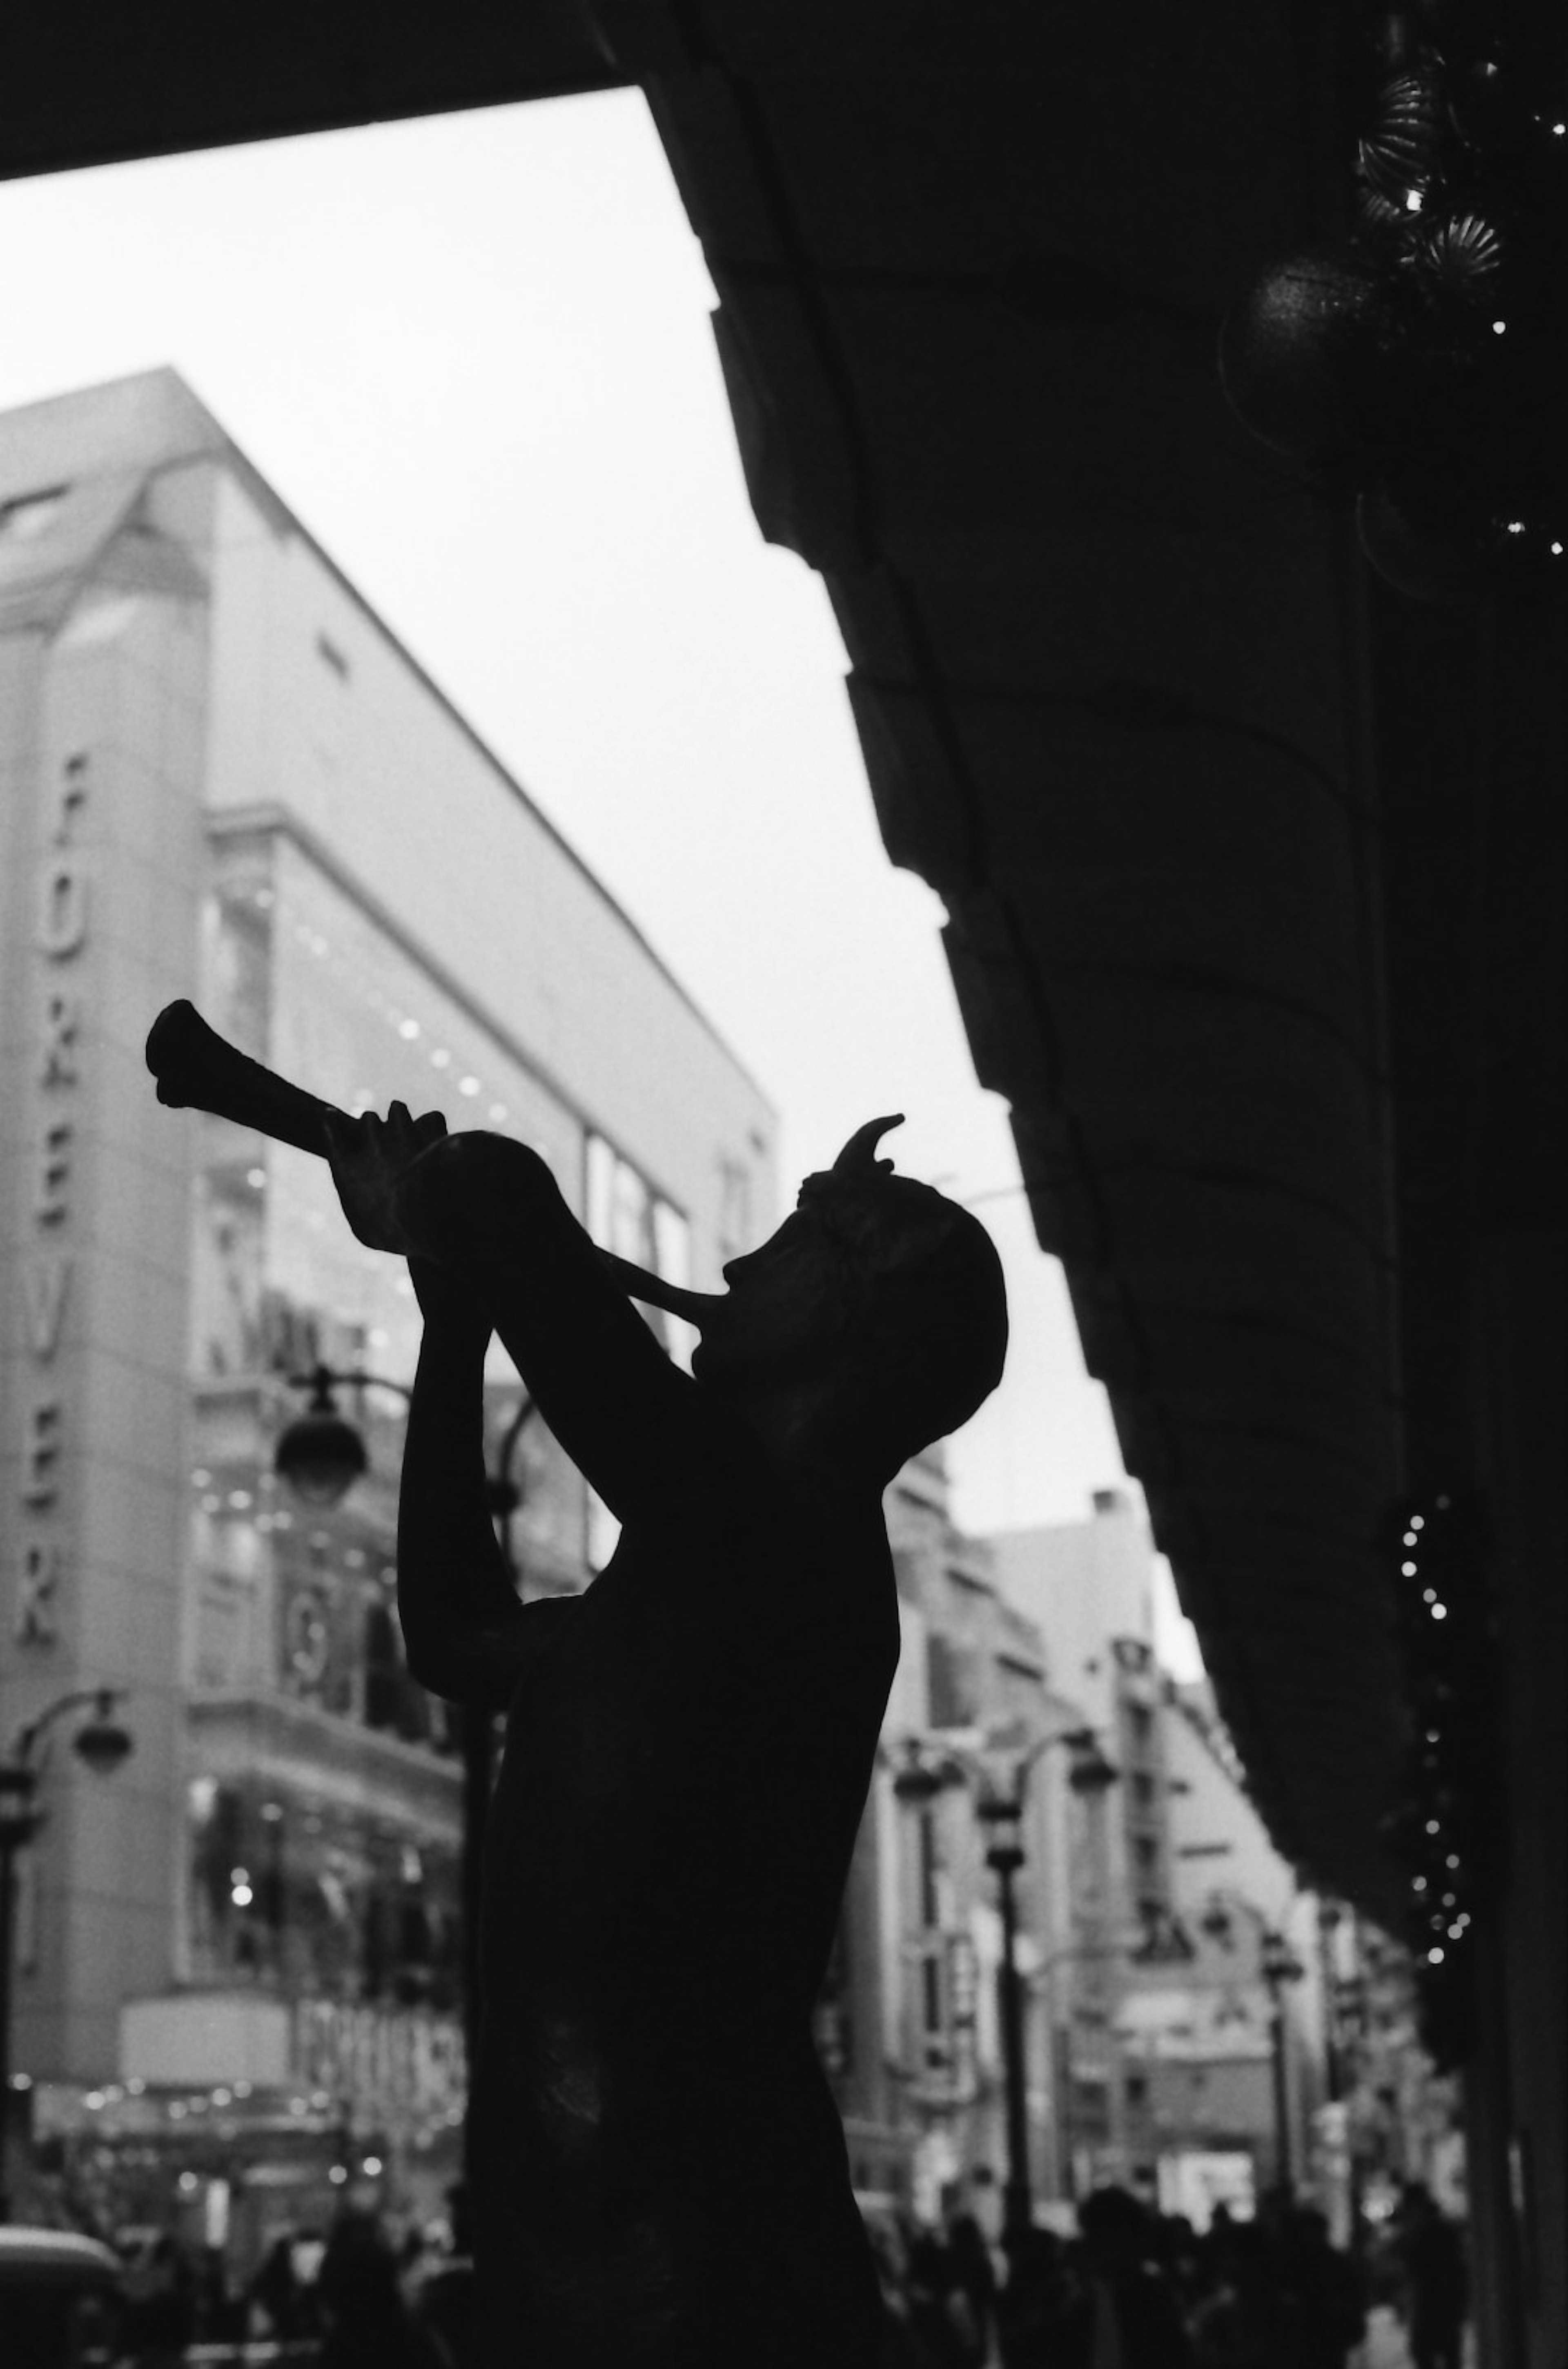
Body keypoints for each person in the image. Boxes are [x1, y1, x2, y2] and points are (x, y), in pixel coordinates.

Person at [325, 1108, 1008, 2369]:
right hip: (596, 2234)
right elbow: (458, 1635)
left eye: (789, 1251)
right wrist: (450, 1313)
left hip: (695, 2251)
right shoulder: (700, 1563)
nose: (740, 1270)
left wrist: (448, 1208)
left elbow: (493, 1183)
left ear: (853, 1325)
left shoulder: (775, 1534)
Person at [1391, 2184, 1467, 2369]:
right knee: (1446, 2353)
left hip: (1430, 2302)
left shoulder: (1423, 2230)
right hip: (1443, 2302)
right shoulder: (1441, 2227)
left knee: (1428, 2352)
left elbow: (1404, 2255)